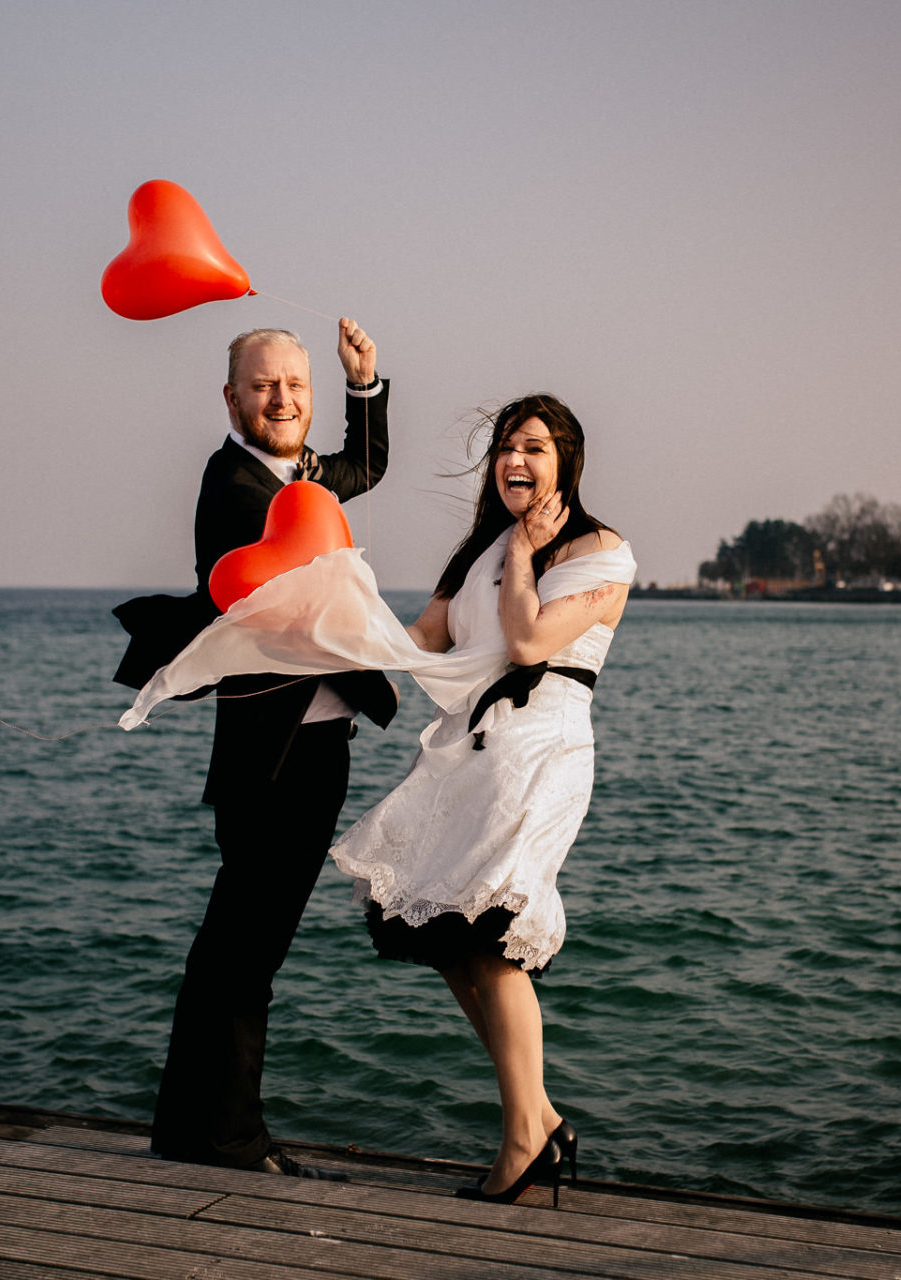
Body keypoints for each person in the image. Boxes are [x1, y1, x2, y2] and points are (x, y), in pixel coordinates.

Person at [330, 393, 635, 1205]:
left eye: (533, 447)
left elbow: (529, 641)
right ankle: (540, 1120)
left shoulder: (602, 551)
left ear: (566, 460)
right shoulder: (478, 551)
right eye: (505, 447)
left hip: (538, 754)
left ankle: (524, 1141)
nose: (515, 460)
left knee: (493, 938)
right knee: (452, 943)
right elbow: (420, 640)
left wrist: (528, 553)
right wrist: (329, 614)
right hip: (466, 756)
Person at [115, 321, 397, 1179]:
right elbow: (296, 588)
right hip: (274, 760)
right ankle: (231, 1140)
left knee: (234, 950)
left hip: (316, 746)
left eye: (296, 386)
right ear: (231, 397)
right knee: (244, 955)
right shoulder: (233, 486)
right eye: (265, 385)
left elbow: (364, 466)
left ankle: (189, 1130)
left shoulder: (297, 476)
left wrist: (361, 383)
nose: (283, 400)